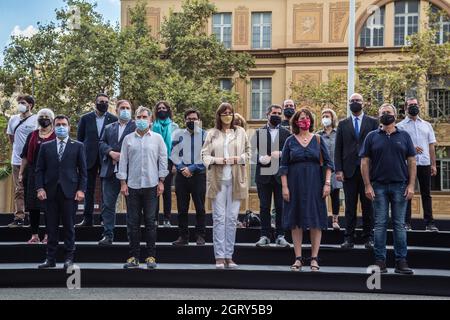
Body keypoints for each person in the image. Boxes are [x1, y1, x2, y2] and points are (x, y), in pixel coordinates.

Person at [360, 103, 416, 274]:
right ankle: (380, 261)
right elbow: (364, 162)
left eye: (389, 112)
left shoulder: (405, 136)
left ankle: (401, 262)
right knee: (380, 224)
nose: (386, 114)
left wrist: (412, 185)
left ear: (395, 115)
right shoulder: (371, 136)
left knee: (399, 225)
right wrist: (367, 185)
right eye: (383, 112)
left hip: (400, 186)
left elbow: (412, 161)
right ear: (379, 116)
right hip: (378, 186)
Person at [280, 109, 333, 272]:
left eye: (307, 118)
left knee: (315, 220)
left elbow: (328, 163)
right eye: (302, 118)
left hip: (315, 184)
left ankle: (314, 258)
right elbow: (283, 166)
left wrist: (327, 183)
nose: (305, 120)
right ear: (296, 121)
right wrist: (285, 187)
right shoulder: (289, 140)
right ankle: (298, 258)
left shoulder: (318, 139)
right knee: (296, 221)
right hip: (294, 184)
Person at [117, 106, 168, 269]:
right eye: (138, 117)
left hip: (152, 185)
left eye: (145, 117)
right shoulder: (128, 139)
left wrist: (161, 181)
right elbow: (123, 161)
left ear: (150, 120)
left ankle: (151, 257)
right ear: (135, 119)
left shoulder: (158, 139)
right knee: (132, 223)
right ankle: (134, 257)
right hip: (131, 186)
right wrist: (123, 183)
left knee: (150, 222)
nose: (141, 119)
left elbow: (163, 160)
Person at [202, 102, 250, 269]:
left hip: (236, 181)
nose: (227, 115)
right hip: (218, 181)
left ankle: (229, 256)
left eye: (230, 112)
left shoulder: (241, 132)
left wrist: (238, 159)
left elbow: (248, 153)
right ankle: (219, 256)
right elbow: (205, 155)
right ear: (219, 116)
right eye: (224, 113)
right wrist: (218, 161)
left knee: (231, 219)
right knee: (219, 219)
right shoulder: (212, 133)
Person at [36, 115, 87, 269]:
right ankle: (50, 259)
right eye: (58, 124)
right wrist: (39, 188)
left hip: (70, 193)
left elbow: (83, 172)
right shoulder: (45, 146)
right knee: (51, 227)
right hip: (50, 192)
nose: (61, 127)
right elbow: (39, 170)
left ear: (69, 126)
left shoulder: (78, 146)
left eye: (64, 124)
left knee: (69, 227)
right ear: (53, 126)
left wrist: (81, 190)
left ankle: (69, 258)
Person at [335, 93, 379, 249]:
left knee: (368, 207)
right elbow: (338, 148)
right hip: (348, 171)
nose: (355, 103)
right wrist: (338, 170)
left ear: (363, 103)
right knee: (349, 207)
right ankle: (348, 238)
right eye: (352, 101)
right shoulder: (343, 124)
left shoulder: (374, 122)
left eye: (357, 101)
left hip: (369, 172)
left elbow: (377, 146)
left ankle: (369, 238)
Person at [97, 100, 136, 245]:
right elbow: (101, 143)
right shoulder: (108, 127)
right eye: (122, 108)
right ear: (117, 111)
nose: (125, 110)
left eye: (128, 108)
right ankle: (108, 234)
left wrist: (121, 157)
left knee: (132, 206)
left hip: (130, 173)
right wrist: (110, 152)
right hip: (110, 172)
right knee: (108, 204)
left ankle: (132, 236)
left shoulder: (136, 126)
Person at [252, 104, 291, 247]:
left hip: (281, 175)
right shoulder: (259, 132)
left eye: (279, 113)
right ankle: (264, 235)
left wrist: (280, 154)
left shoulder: (287, 133)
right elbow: (258, 154)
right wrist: (264, 157)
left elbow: (288, 154)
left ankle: (281, 235)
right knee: (264, 207)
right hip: (264, 175)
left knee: (281, 207)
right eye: (274, 113)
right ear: (267, 114)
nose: (277, 115)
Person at [76, 93, 117, 227]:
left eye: (106, 102)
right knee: (88, 189)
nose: (103, 104)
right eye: (101, 101)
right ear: (95, 103)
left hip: (106, 157)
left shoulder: (113, 119)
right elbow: (80, 140)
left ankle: (104, 219)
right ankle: (87, 219)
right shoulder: (85, 118)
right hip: (89, 158)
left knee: (106, 190)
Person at [397, 98, 438, 232]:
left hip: (425, 163)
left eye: (415, 104)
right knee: (407, 194)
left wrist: (433, 164)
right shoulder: (401, 126)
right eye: (411, 105)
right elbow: (398, 146)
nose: (413, 107)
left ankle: (430, 224)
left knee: (426, 194)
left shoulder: (427, 125)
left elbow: (431, 146)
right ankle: (406, 223)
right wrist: (411, 149)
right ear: (406, 108)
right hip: (407, 165)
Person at [19, 108, 56, 244]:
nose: (44, 118)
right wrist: (21, 173)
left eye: (47, 116)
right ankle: (34, 235)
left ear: (52, 119)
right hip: (32, 173)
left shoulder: (56, 135)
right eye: (42, 116)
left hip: (50, 174)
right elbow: (24, 156)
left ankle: (48, 235)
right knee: (33, 206)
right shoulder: (32, 135)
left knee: (49, 206)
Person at [171, 109, 207, 246]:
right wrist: (181, 168)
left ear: (199, 120)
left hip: (198, 175)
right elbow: (173, 154)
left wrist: (191, 168)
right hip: (181, 176)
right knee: (182, 208)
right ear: (185, 120)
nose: (192, 121)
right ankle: (183, 237)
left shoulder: (205, 135)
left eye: (194, 119)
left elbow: (206, 156)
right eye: (189, 119)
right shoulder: (178, 134)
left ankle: (200, 236)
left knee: (200, 207)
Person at [6, 95, 38, 227]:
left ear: (30, 104)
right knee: (19, 189)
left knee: (31, 189)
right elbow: (11, 137)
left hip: (32, 160)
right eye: (19, 102)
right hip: (17, 160)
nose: (20, 105)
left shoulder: (36, 119)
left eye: (23, 102)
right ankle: (19, 216)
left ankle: (32, 216)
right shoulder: (13, 119)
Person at [152, 101, 179, 227]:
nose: (161, 110)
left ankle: (167, 218)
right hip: (154, 160)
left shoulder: (174, 126)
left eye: (164, 108)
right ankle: (154, 218)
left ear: (168, 110)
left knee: (166, 190)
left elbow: (176, 148)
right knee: (154, 189)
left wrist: (174, 164)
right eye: (159, 108)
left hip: (169, 160)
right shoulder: (152, 126)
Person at [317, 108, 343, 230]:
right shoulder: (318, 135)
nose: (325, 118)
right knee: (321, 195)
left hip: (335, 168)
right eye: (323, 116)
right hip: (321, 169)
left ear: (333, 118)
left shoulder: (338, 134)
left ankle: (335, 220)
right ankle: (321, 219)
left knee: (335, 194)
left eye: (327, 116)